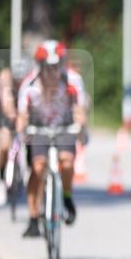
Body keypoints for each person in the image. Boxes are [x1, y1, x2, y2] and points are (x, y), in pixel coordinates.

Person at [18, 40, 86, 237]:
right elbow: (22, 115)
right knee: (38, 167)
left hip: (64, 126)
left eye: (56, 65)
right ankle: (33, 218)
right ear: (40, 65)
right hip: (38, 128)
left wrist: (80, 127)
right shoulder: (29, 84)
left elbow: (79, 109)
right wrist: (21, 132)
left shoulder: (73, 80)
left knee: (66, 161)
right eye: (48, 66)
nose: (52, 71)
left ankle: (66, 196)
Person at [0, 68, 18, 204]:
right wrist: (12, 115)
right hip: (6, 120)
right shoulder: (5, 87)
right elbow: (6, 105)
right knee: (4, 145)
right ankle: (1, 180)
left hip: (24, 118)